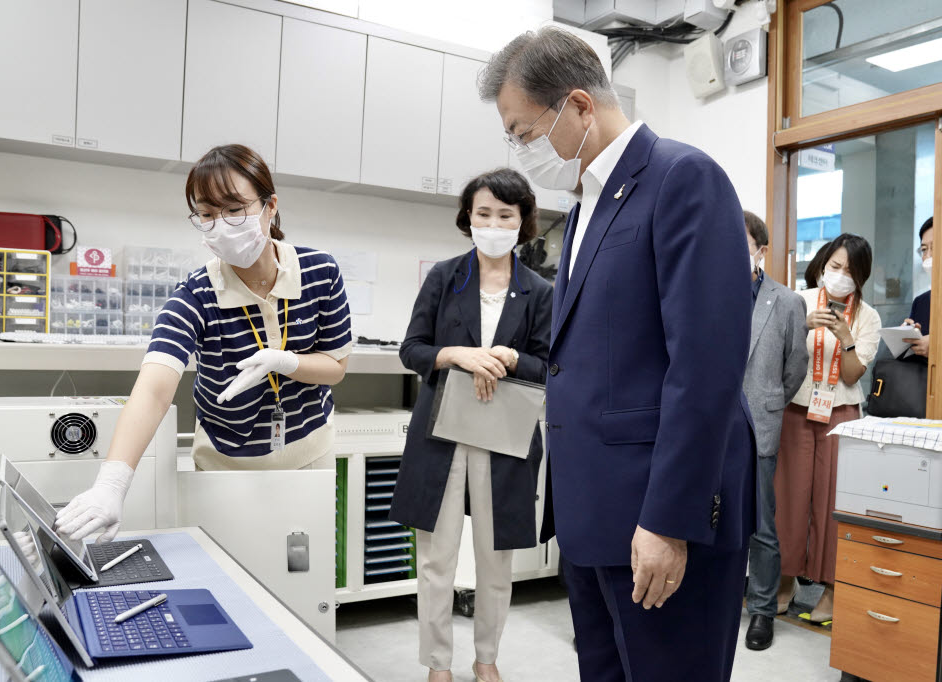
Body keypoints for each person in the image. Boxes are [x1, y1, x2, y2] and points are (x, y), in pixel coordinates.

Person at [480, 27, 756, 681]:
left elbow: (705, 368)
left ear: (578, 106)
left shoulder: (683, 178)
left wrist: (667, 521)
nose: (522, 153)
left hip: (657, 519)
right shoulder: (585, 207)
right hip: (595, 516)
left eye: (524, 133)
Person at [55, 144, 352, 542]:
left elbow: (335, 367)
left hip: (308, 453)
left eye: (234, 209)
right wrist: (111, 484)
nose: (221, 225)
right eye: (207, 215)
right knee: (231, 575)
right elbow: (155, 389)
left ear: (270, 206)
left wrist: (287, 363)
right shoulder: (196, 293)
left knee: (303, 577)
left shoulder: (320, 271)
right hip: (226, 463)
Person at [389, 168, 553, 682]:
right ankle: (438, 664)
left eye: (505, 215)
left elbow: (550, 365)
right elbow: (411, 350)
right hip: (443, 430)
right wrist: (458, 354)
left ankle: (487, 659)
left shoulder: (540, 291)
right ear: (468, 218)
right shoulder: (445, 276)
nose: (493, 223)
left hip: (503, 436)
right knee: (437, 561)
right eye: (484, 213)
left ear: (522, 221)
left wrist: (509, 357)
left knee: (494, 560)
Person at [774, 233, 881, 625]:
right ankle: (785, 582)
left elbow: (854, 375)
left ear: (861, 278)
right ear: (821, 265)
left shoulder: (868, 316)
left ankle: (831, 592)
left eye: (850, 272)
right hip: (795, 411)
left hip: (841, 416)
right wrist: (802, 326)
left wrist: (847, 339)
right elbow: (774, 355)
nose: (839, 276)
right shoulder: (797, 301)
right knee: (788, 498)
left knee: (833, 505)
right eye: (834, 267)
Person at [741, 211, 809, 651]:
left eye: (740, 242)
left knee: (762, 526)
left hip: (760, 422)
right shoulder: (705, 292)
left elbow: (795, 367)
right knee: (713, 520)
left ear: (760, 250)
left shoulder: (785, 301)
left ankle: (762, 610)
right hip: (711, 425)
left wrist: (768, 402)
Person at [903, 217, 933, 357]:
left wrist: (935, 345)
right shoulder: (921, 302)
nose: (929, 256)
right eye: (924, 249)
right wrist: (905, 338)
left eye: (936, 247)